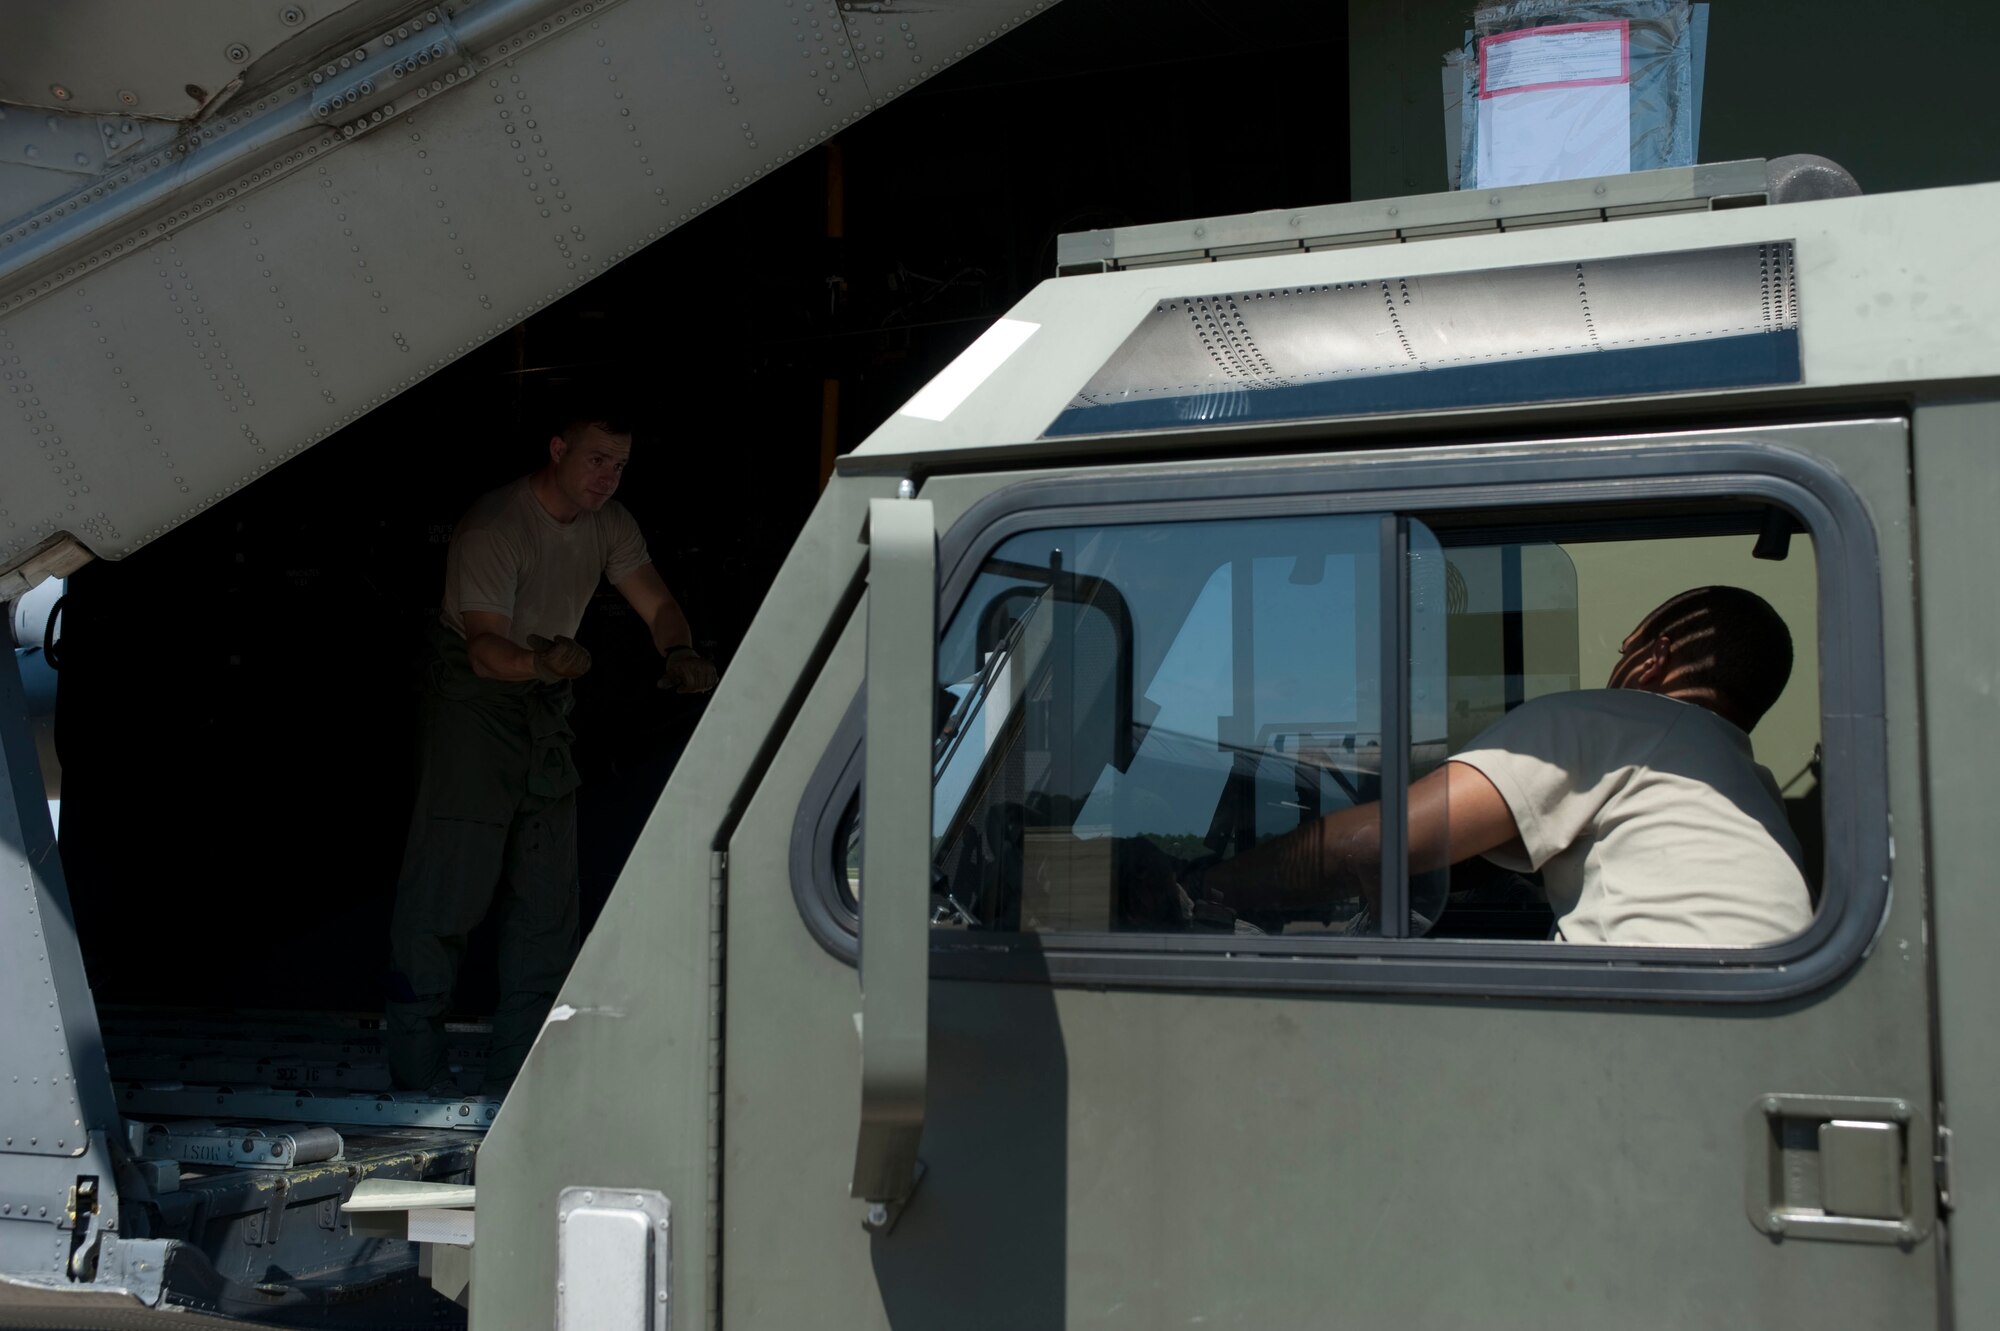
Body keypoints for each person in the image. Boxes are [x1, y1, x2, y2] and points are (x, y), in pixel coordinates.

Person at [386, 409, 718, 1095]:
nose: (608, 477)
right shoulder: (496, 527)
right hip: (477, 708)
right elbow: (484, 648)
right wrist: (541, 663)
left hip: (543, 711)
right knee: (447, 892)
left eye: (619, 465)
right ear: (558, 449)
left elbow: (658, 605)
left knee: (546, 906)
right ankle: (416, 1077)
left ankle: (522, 1083)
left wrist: (679, 649)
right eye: (597, 460)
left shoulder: (609, 523)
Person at [1186, 586, 1812, 946]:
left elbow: (1375, 844)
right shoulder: (1742, 787)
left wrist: (1204, 888)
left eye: (1625, 650)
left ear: (1654, 658)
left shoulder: (1622, 720)